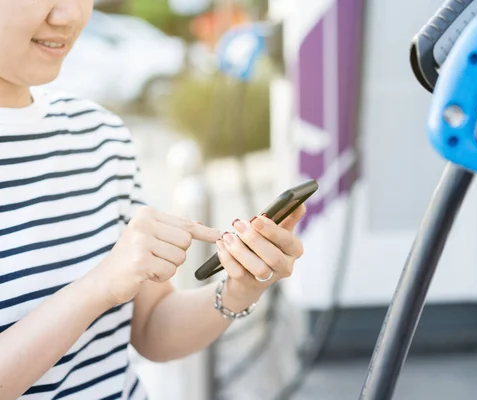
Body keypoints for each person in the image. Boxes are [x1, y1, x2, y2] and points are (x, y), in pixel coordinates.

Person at [0, 1, 307, 399]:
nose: (68, 16)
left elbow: (150, 329)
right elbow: (106, 286)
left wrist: (238, 290)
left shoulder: (100, 133)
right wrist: (100, 285)